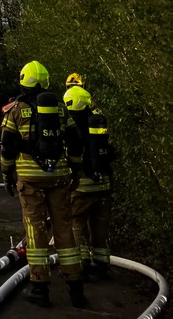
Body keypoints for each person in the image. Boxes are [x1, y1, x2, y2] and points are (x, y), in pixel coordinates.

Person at [1, 60, 86, 308]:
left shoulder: (15, 110)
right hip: (59, 175)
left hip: (29, 178)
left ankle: (40, 287)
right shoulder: (60, 109)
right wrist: (76, 169)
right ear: (46, 80)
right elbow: (75, 141)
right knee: (64, 228)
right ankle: (76, 287)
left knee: (35, 230)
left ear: (23, 80)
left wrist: (7, 173)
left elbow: (7, 146)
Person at [63, 85, 114, 281]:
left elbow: (71, 155)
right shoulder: (98, 125)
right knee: (100, 228)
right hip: (103, 185)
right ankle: (102, 265)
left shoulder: (71, 128)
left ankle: (81, 264)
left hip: (81, 187)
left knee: (78, 225)